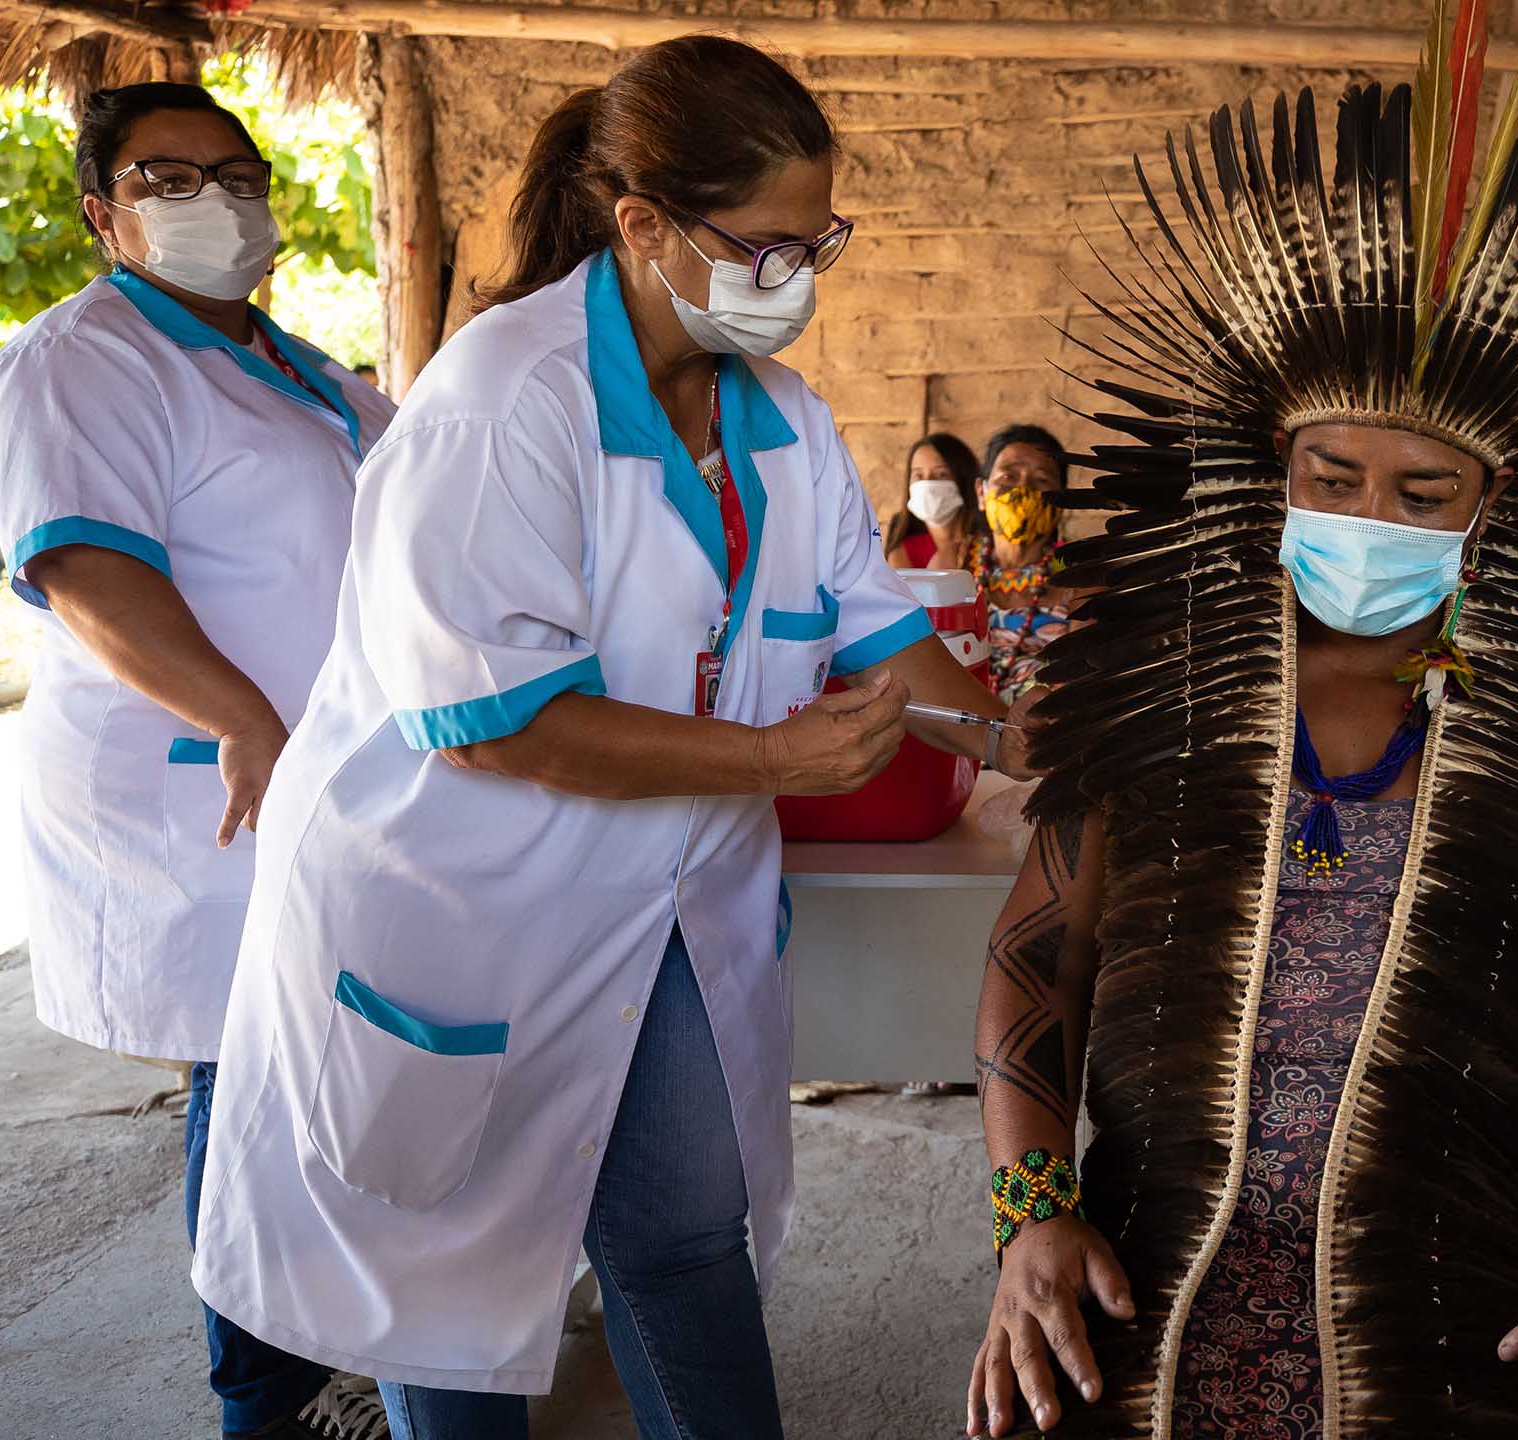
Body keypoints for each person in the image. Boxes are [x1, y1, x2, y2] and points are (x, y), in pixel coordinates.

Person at [190, 36, 1038, 1440]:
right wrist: (777, 763)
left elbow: (882, 629)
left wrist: (1017, 740)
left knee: (687, 1236)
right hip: (455, 908)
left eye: (816, 241)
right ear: (642, 226)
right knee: (449, 1286)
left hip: (666, 907)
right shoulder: (504, 405)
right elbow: (490, 726)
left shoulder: (780, 418)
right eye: (764, 244)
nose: (796, 279)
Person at [963, 11, 1518, 1437]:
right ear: (1277, 469)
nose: (1368, 519)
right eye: (1333, 472)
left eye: (1421, 494)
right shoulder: (1159, 684)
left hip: (1465, 1285)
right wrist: (1031, 1211)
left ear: (1489, 503)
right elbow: (1032, 966)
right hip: (1164, 1274)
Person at [0, 83, 395, 1439]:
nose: (214, 201)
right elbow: (87, 570)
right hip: (203, 782)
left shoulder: (306, 369)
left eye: (235, 172)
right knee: (249, 1073)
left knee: (335, 1068)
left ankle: (352, 1349)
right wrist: (249, 718)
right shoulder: (77, 362)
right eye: (168, 178)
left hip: (335, 781)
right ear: (103, 213)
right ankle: (262, 1402)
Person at [967, 424, 1074, 703]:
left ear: (1061, 501)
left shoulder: (1081, 579)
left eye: (1041, 481)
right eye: (1009, 476)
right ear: (981, 492)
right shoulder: (951, 566)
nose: (1022, 490)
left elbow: (1077, 684)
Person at [884, 430, 981, 569]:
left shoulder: (987, 547)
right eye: (919, 475)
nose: (927, 483)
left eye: (941, 474)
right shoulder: (902, 554)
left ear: (963, 479)